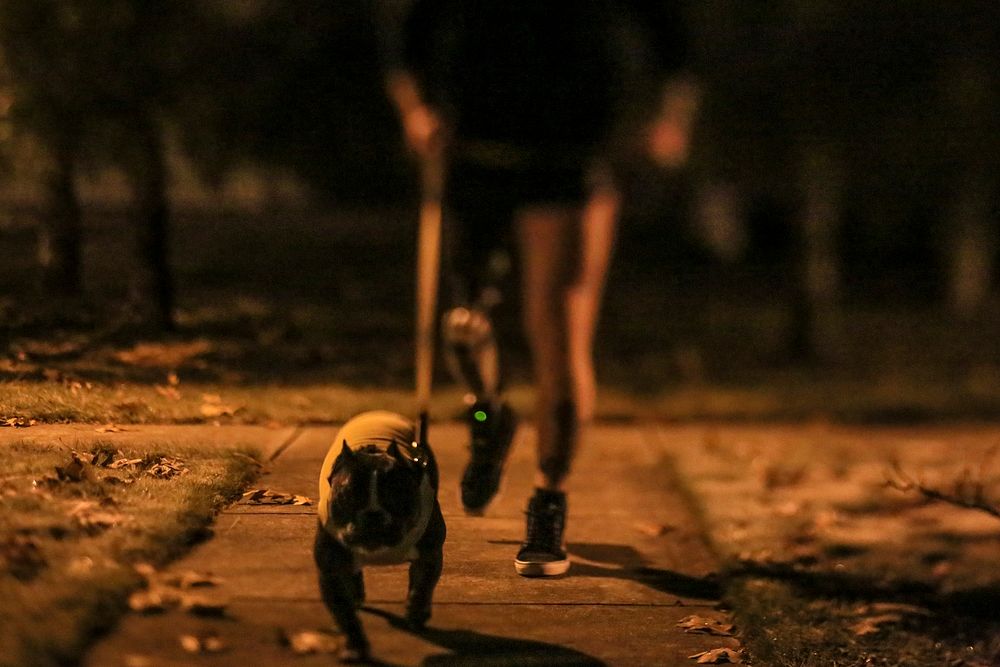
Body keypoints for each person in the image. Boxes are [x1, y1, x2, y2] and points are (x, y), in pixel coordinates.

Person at [387, 0, 691, 577]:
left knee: (558, 331)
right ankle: (489, 417)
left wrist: (670, 118)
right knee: (464, 327)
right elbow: (411, 37)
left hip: (569, 163)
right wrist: (416, 110)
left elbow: (671, 37)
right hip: (475, 157)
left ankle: (549, 500)